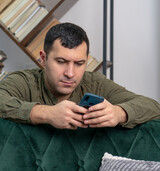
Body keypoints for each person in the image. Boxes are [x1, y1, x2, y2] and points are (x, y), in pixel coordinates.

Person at [0, 22, 159, 129]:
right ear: (43, 58)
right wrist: (47, 114)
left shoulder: (96, 83)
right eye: (61, 61)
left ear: (87, 61)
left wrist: (119, 113)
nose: (70, 74)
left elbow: (152, 106)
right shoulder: (23, 81)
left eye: (79, 63)